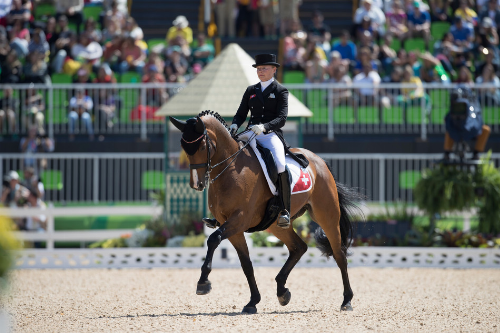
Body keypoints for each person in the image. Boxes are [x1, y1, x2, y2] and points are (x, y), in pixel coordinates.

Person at [229, 54, 292, 229]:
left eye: (264, 68)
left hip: (270, 134)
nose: (260, 71)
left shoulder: (280, 91)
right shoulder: (251, 90)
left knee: (280, 165)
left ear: (274, 69)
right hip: (250, 133)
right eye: (258, 69)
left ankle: (284, 210)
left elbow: (282, 118)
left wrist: (264, 126)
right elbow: (241, 113)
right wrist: (235, 125)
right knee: (230, 156)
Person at [443, 87, 491, 160]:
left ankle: (476, 153)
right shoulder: (453, 106)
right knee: (448, 129)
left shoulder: (473, 105)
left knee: (486, 129)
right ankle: (447, 153)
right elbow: (447, 120)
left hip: (472, 130)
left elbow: (478, 120)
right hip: (456, 130)